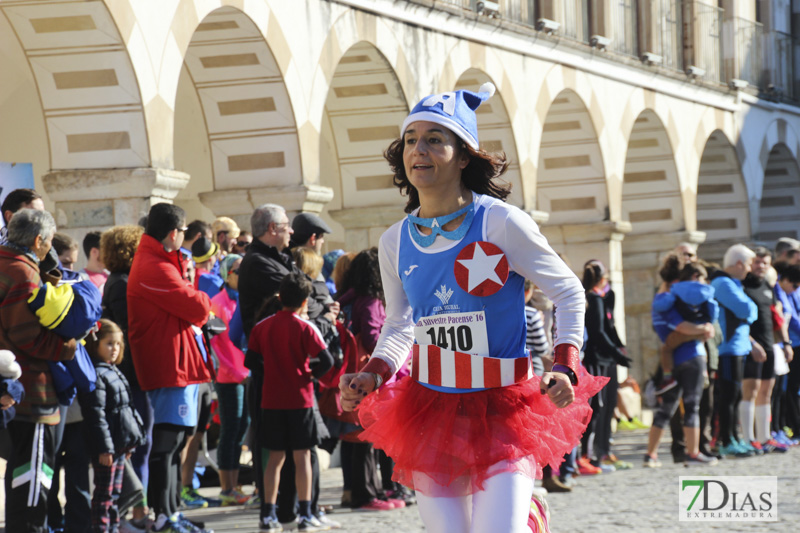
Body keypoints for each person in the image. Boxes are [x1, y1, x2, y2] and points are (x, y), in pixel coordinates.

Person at [338, 84, 606, 533]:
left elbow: (568, 292)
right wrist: (375, 372)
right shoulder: (394, 242)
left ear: (464, 156)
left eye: (435, 139)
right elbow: (402, 323)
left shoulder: (501, 222)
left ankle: (527, 519)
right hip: (431, 408)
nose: (418, 150)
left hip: (504, 408)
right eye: (410, 140)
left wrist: (565, 364)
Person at [127, 203, 213, 533]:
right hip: (167, 366)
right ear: (174, 233)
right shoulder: (152, 264)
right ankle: (163, 517)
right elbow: (197, 306)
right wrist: (199, 295)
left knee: (176, 442)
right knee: (167, 444)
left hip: (178, 363)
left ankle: (172, 513)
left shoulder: (161, 260)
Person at [1, 208, 77, 532]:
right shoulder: (22, 272)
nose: (50, 250)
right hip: (32, 391)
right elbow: (25, 334)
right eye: (48, 243)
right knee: (34, 473)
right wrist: (66, 347)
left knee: (20, 468)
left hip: (14, 389)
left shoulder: (9, 265)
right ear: (37, 240)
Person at [250, 273, 334, 531]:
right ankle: (306, 512)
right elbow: (327, 361)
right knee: (303, 458)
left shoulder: (262, 326)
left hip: (271, 401)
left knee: (274, 460)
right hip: (301, 400)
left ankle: (267, 514)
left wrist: (272, 375)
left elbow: (252, 362)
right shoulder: (306, 327)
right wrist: (310, 375)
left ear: (280, 297)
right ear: (305, 302)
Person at [100, 224, 152, 531]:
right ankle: (133, 516)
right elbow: (129, 331)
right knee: (137, 446)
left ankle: (137, 513)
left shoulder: (119, 281)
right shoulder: (121, 284)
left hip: (130, 376)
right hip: (130, 377)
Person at [644, 262, 719, 467]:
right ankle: (693, 454)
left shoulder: (664, 300)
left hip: (670, 358)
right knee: (693, 405)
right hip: (693, 356)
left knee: (666, 408)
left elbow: (672, 328)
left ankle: (650, 455)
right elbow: (687, 327)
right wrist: (704, 328)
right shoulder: (683, 299)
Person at [80, 319, 145, 532]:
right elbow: (96, 415)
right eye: (109, 343)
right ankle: (102, 528)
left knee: (115, 494)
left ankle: (113, 527)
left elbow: (127, 409)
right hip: (108, 448)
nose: (114, 349)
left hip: (119, 446)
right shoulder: (98, 375)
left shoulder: (114, 371)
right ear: (95, 344)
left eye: (118, 344)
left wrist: (131, 441)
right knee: (104, 494)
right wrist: (104, 447)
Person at [581, 259, 632, 472]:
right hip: (594, 358)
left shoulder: (604, 297)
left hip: (604, 357)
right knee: (596, 407)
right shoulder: (593, 298)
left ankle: (598, 453)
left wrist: (619, 350)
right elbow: (598, 332)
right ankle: (589, 455)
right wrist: (616, 353)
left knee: (604, 406)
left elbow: (609, 327)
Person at [710, 244, 760, 457]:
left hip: (737, 347)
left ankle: (734, 436)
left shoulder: (732, 283)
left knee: (735, 396)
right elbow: (747, 309)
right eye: (749, 264)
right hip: (727, 348)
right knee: (728, 397)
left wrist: (749, 312)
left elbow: (752, 311)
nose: (750, 269)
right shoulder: (723, 283)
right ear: (738, 263)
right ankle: (726, 440)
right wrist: (748, 312)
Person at [209, 254, 251, 506]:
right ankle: (226, 488)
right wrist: (233, 370)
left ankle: (234, 484)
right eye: (238, 270)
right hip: (228, 377)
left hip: (245, 373)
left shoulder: (243, 299)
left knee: (242, 427)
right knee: (230, 428)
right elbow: (215, 344)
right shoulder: (216, 302)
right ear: (228, 274)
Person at [741, 247, 789, 453]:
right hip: (750, 347)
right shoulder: (742, 287)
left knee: (766, 393)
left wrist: (785, 343)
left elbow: (775, 319)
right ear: (750, 264)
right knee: (750, 392)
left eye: (765, 263)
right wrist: (751, 343)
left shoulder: (768, 287)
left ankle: (765, 436)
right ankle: (748, 438)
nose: (761, 266)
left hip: (770, 345)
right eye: (757, 262)